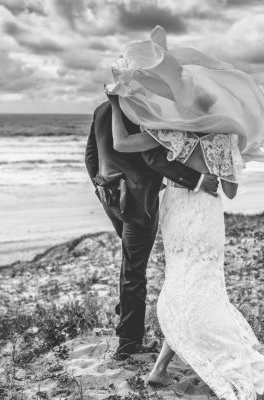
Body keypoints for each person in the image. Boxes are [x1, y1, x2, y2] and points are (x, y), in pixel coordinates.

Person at [105, 26, 264, 400]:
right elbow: (229, 192)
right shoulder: (224, 139)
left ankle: (159, 368)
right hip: (206, 216)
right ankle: (168, 363)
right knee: (205, 283)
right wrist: (225, 163)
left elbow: (120, 142)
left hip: (177, 213)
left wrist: (118, 102)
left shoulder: (171, 134)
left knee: (180, 281)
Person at [85, 98, 220, 360]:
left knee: (130, 261)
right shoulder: (141, 109)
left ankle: (127, 318)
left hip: (110, 195)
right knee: (135, 269)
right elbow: (153, 158)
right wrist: (198, 180)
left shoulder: (103, 108)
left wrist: (99, 184)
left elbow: (91, 153)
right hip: (137, 202)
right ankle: (129, 342)